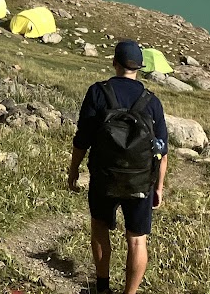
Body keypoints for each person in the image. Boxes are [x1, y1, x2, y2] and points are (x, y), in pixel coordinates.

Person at [66, 40, 168, 294]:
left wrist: (74, 169)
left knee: (100, 228)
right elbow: (162, 150)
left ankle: (102, 288)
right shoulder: (151, 102)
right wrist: (159, 187)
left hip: (104, 177)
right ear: (139, 67)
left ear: (114, 62)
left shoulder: (98, 92)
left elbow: (83, 138)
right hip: (140, 180)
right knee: (136, 241)